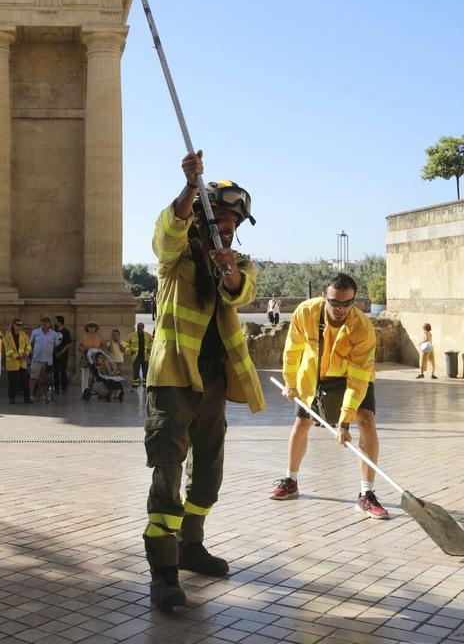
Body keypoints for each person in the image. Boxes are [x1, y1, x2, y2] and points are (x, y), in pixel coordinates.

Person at [142, 151, 262, 610]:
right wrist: (191, 186)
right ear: (203, 215)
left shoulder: (239, 262)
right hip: (174, 375)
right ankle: (164, 572)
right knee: (168, 471)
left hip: (213, 380)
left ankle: (191, 545)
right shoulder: (176, 259)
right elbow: (166, 234)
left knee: (208, 471)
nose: (226, 226)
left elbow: (241, 291)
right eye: (220, 217)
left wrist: (228, 268)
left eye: (234, 221)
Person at [272, 274, 386, 520]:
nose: (341, 309)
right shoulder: (306, 312)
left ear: (354, 300)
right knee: (302, 422)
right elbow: (293, 349)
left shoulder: (362, 328)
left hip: (351, 376)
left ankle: (366, 495)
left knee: (366, 420)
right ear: (324, 296)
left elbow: (358, 380)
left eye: (347, 303)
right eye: (335, 302)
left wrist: (344, 422)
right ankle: (291, 481)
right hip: (315, 374)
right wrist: (289, 382)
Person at [28, 316, 61, 403]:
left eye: (46, 322)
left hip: (48, 360)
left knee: (47, 379)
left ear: (49, 324)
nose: (44, 324)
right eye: (43, 322)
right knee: (33, 377)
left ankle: (45, 395)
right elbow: (31, 343)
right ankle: (31, 394)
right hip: (37, 358)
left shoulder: (54, 334)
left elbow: (56, 345)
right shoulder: (35, 332)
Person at [4, 318, 32, 403]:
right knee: (12, 382)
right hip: (12, 363)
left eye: (21, 325)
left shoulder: (24, 335)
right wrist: (16, 356)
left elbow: (29, 346)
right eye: (18, 325)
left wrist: (26, 354)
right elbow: (7, 350)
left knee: (25, 381)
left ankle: (27, 398)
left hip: (22, 362)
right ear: (13, 325)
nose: (20, 326)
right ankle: (12, 398)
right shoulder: (7, 336)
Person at [124, 322, 153, 391]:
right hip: (135, 357)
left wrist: (149, 350)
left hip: (145, 357)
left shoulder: (148, 335)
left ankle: (145, 386)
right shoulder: (131, 335)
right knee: (136, 372)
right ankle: (135, 386)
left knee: (145, 372)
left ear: (143, 327)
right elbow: (126, 343)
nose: (139, 328)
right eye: (138, 326)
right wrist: (129, 351)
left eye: (141, 326)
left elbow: (152, 342)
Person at [78, 322, 104, 400]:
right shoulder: (84, 336)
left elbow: (103, 345)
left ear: (95, 328)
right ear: (87, 328)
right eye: (90, 327)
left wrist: (99, 350)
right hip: (86, 357)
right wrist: (83, 349)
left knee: (97, 375)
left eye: (93, 327)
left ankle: (100, 392)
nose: (91, 328)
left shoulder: (98, 337)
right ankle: (84, 392)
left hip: (95, 358)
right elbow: (79, 346)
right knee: (85, 376)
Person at [52, 315, 73, 394]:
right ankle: (56, 387)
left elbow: (68, 344)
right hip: (54, 354)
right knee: (55, 371)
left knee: (62, 371)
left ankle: (64, 387)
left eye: (55, 321)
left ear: (59, 322)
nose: (54, 323)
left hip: (62, 355)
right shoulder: (53, 331)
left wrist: (61, 352)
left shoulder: (66, 332)